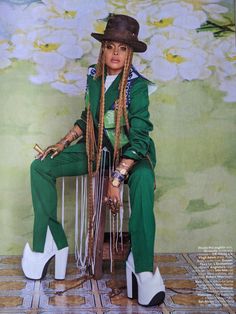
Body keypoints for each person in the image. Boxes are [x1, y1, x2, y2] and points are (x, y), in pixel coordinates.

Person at [21, 14, 165, 307]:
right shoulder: (93, 75)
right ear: (102, 49)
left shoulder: (137, 86)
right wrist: (61, 143)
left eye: (123, 49)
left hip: (132, 155)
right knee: (41, 166)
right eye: (110, 46)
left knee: (145, 180)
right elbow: (88, 119)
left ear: (130, 53)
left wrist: (117, 178)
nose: (115, 53)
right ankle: (50, 240)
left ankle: (143, 265)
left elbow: (139, 137)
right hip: (98, 150)